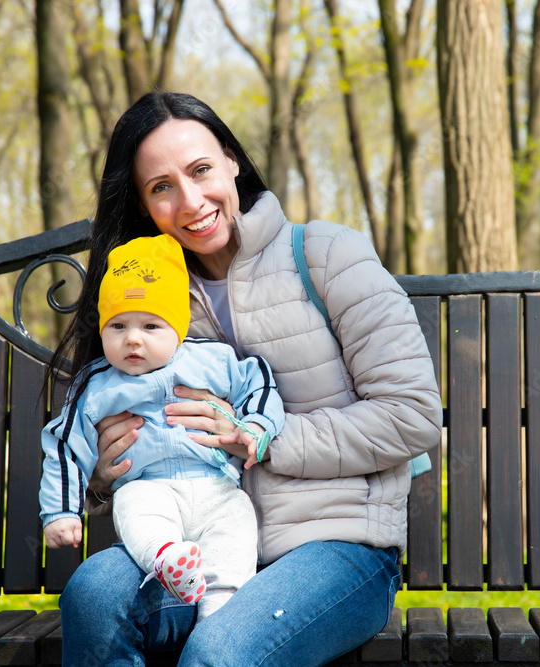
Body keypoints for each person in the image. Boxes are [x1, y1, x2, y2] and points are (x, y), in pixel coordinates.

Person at [52, 91, 443, 667]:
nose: (190, 200)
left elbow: (412, 416)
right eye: (161, 187)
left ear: (232, 160)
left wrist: (260, 439)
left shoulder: (328, 256)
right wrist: (105, 476)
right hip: (196, 539)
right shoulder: (143, 307)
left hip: (337, 548)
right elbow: (98, 434)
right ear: (142, 204)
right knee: (92, 595)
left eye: (201, 169)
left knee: (218, 654)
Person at [40, 233, 284, 621]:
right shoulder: (97, 384)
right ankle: (167, 560)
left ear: (178, 328)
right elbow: (65, 445)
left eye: (151, 326)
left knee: (236, 525)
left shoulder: (209, 360)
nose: (132, 339)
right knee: (135, 511)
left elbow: (260, 381)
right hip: (147, 487)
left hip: (215, 484)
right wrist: (61, 511)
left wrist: (256, 425)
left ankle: (220, 605)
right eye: (118, 326)